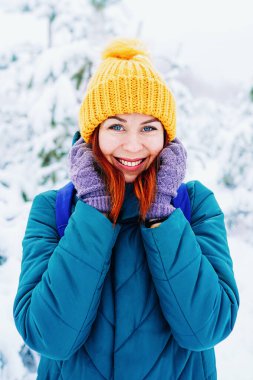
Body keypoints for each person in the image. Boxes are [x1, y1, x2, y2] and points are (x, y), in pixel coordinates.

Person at [13, 38, 239, 380]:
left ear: (165, 136)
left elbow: (206, 328)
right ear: (94, 134)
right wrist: (94, 212)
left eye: (148, 127)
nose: (133, 145)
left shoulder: (195, 206)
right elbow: (48, 337)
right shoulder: (53, 211)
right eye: (116, 126)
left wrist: (162, 213)